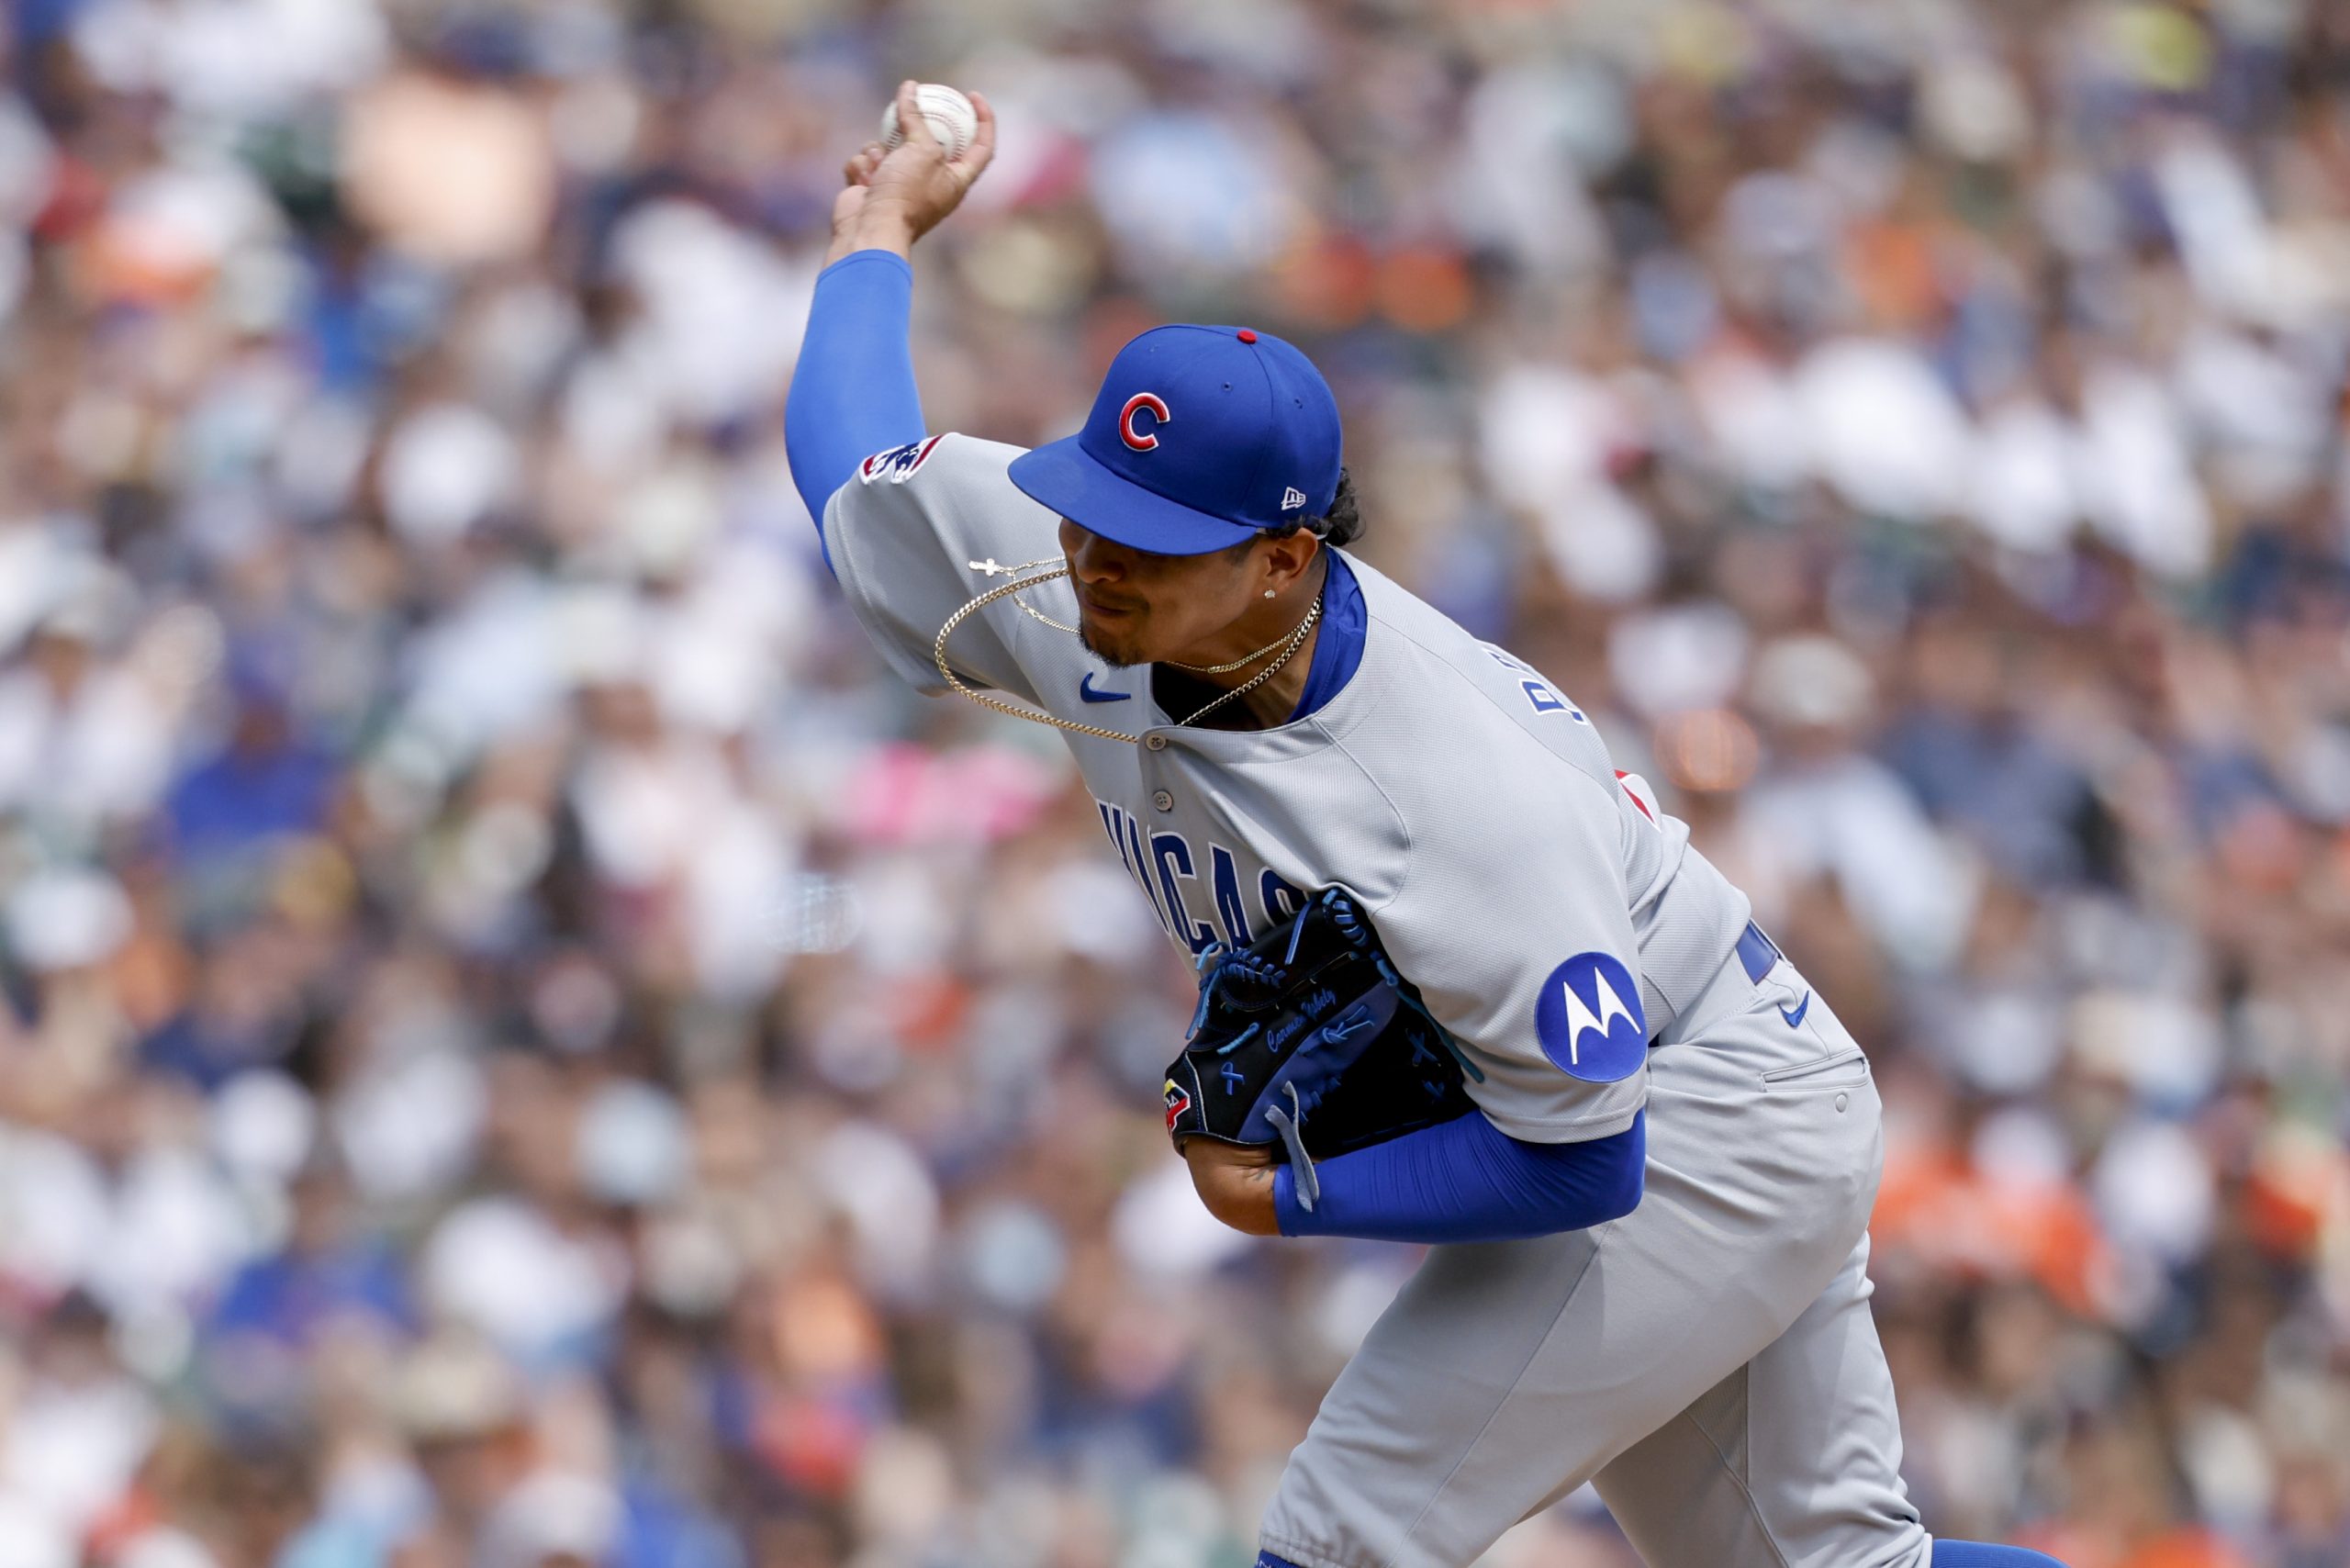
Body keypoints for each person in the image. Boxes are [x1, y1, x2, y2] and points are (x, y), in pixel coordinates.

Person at [785, 80, 2065, 1568]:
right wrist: (876, 233)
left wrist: (1286, 1198)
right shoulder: (1072, 567)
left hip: (1697, 1108)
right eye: (1086, 512)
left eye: (1149, 543)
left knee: (1346, 1535)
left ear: (1283, 559)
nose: (1095, 562)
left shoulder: (1449, 803)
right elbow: (854, 479)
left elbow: (1590, 1162)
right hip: (1652, 1078)